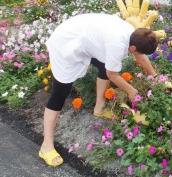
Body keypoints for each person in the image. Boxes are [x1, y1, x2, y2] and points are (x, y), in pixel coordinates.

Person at [39, 13, 158, 166]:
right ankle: (46, 145)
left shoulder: (133, 34)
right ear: (133, 47)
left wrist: (154, 77)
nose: (140, 55)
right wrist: (131, 91)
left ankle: (99, 108)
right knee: (60, 92)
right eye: (139, 51)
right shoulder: (117, 43)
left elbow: (140, 57)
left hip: (81, 33)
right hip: (67, 42)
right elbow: (112, 75)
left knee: (104, 64)